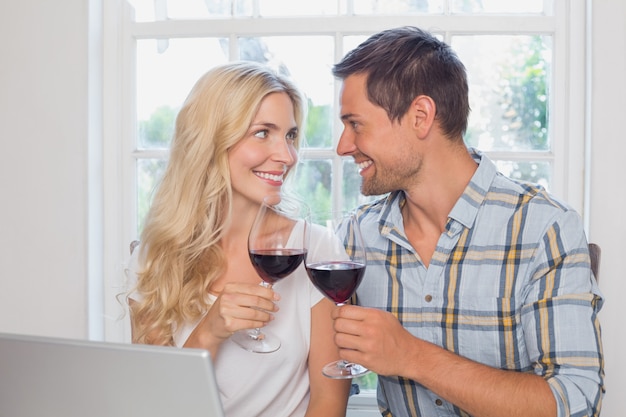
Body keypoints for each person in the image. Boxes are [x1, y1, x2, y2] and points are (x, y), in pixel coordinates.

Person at [330, 26, 604, 417]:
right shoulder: (354, 239)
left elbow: (576, 401)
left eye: (355, 123)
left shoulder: (543, 228)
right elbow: (318, 373)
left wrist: (412, 356)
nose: (343, 145)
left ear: (420, 116)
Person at [125, 61, 350, 417]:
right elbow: (159, 404)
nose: (287, 155)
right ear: (211, 140)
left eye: (290, 135)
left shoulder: (317, 250)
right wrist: (210, 332)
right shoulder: (155, 256)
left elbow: (328, 404)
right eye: (263, 133)